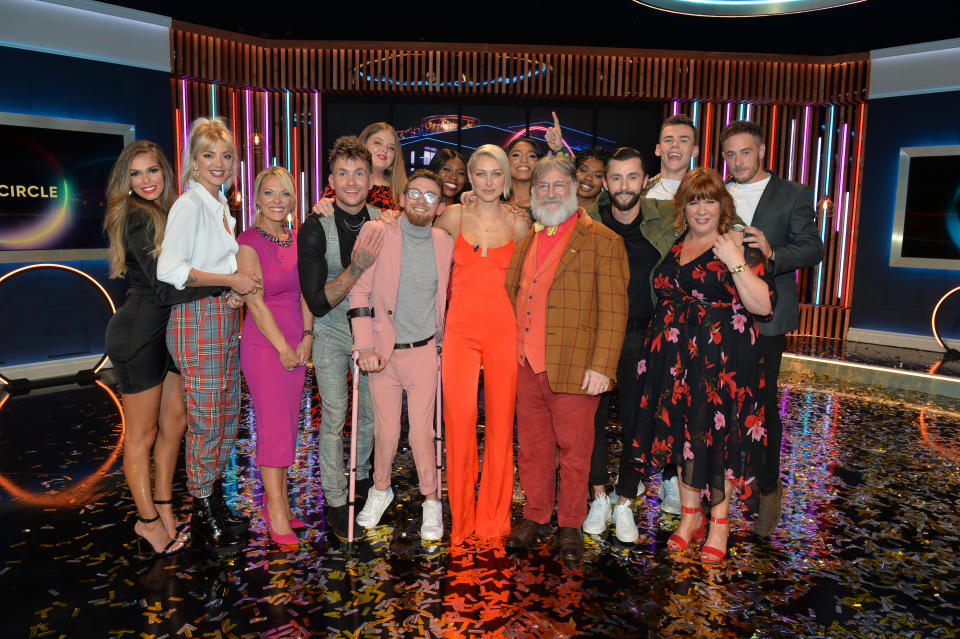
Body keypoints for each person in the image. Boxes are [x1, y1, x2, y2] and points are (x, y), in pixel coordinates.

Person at [624, 167, 776, 563]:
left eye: (709, 199)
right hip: (674, 360)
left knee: (717, 440)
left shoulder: (738, 243)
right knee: (683, 436)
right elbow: (622, 202)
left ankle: (720, 524)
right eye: (693, 200)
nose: (701, 208)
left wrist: (735, 261)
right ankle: (690, 520)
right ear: (683, 207)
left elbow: (763, 306)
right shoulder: (676, 242)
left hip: (721, 361)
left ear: (722, 204)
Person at [504, 154, 629, 563]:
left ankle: (571, 522)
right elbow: (514, 291)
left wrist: (603, 366)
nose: (551, 192)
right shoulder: (529, 238)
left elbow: (615, 311)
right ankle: (537, 515)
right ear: (534, 193)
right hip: (527, 365)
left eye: (559, 185)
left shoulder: (604, 240)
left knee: (577, 451)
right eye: (543, 187)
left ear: (574, 190)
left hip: (577, 367)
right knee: (533, 447)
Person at [104, 141, 224, 556]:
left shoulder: (171, 210)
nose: (146, 181)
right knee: (143, 435)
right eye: (135, 174)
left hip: (169, 332)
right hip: (139, 334)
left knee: (174, 429)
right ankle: (149, 523)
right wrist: (229, 283)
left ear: (166, 173)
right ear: (126, 181)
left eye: (152, 171)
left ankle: (165, 509)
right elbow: (166, 285)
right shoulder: (137, 217)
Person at [157, 116, 262, 554]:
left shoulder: (219, 206)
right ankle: (202, 513)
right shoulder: (190, 204)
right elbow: (171, 271)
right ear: (193, 162)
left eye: (226, 155)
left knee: (223, 416)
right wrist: (230, 282)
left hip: (218, 315)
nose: (218, 163)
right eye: (208, 155)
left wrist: (231, 290)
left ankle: (214, 500)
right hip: (196, 319)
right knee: (204, 419)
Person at [720, 120, 823, 538]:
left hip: (767, 315)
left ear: (761, 150)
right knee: (718, 404)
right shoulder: (716, 191)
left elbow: (813, 246)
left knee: (760, 406)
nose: (738, 161)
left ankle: (767, 489)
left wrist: (773, 251)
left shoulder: (792, 193)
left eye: (745, 152)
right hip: (720, 316)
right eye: (730, 154)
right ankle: (716, 491)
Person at [349, 169, 454, 541]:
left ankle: (431, 498)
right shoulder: (378, 231)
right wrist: (365, 347)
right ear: (402, 197)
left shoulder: (445, 242)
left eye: (430, 196)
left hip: (425, 351)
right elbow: (359, 293)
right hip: (383, 352)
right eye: (414, 193)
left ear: (440, 207)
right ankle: (381, 488)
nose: (421, 201)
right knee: (387, 431)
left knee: (423, 435)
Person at [579, 148, 677, 542]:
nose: (623, 186)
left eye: (632, 178)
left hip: (641, 336)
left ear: (644, 181)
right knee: (592, 420)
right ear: (606, 184)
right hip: (596, 335)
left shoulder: (664, 221)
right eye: (616, 178)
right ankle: (599, 495)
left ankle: (624, 502)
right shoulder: (589, 223)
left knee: (639, 424)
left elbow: (713, 206)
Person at [433, 145, 530, 545]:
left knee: (501, 426)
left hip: (504, 333)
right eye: (481, 174)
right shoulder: (453, 217)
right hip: (459, 332)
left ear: (506, 179)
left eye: (496, 174)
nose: (488, 181)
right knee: (458, 424)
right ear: (469, 178)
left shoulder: (521, 224)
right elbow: (416, 238)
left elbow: (529, 286)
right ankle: (462, 519)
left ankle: (493, 517)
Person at [298, 136, 385, 540]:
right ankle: (335, 498)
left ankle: (362, 482)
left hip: (372, 331)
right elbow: (316, 302)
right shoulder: (315, 226)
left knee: (370, 414)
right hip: (331, 329)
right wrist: (355, 269)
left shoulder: (385, 223)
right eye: (343, 173)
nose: (351, 181)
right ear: (332, 178)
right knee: (334, 415)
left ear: (371, 179)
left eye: (359, 173)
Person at [237, 166, 313, 548]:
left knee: (288, 426)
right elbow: (253, 299)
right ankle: (276, 508)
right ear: (257, 199)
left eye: (284, 194)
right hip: (266, 346)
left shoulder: (297, 239)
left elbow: (307, 293)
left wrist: (307, 339)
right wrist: (284, 347)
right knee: (273, 427)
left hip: (297, 344)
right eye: (269, 193)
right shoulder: (249, 241)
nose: (277, 201)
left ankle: (278, 501)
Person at [315, 122, 406, 213]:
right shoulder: (339, 188)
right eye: (378, 143)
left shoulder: (403, 191)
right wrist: (322, 207)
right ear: (363, 144)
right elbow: (318, 222)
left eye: (391, 148)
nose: (385, 150)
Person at [644, 114, 701, 202]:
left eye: (683, 140)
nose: (675, 145)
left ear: (694, 150)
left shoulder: (704, 194)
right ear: (658, 149)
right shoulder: (640, 192)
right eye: (668, 140)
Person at [503, 136, 544, 215]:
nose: (524, 160)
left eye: (531, 156)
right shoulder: (493, 203)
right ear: (505, 161)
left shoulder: (547, 206)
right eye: (516, 155)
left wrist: (559, 148)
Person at [574, 147, 612, 221]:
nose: (588, 178)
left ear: (605, 183)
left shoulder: (604, 219)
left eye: (597, 175)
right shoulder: (553, 201)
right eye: (584, 170)